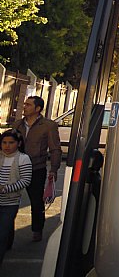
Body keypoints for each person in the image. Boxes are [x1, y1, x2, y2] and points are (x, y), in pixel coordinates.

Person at [11, 96, 61, 242]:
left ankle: (37, 229)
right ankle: (7, 233)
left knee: (36, 201)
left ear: (37, 109)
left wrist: (54, 169)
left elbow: (55, 149)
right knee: (10, 200)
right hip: (16, 168)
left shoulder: (48, 125)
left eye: (28, 104)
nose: (24, 106)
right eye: (24, 103)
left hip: (36, 168)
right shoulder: (18, 124)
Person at [0, 129, 32, 266]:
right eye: (4, 142)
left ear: (18, 144)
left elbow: (25, 180)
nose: (7, 146)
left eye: (11, 143)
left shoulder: (23, 159)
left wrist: (5, 188)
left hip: (9, 203)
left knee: (1, 236)